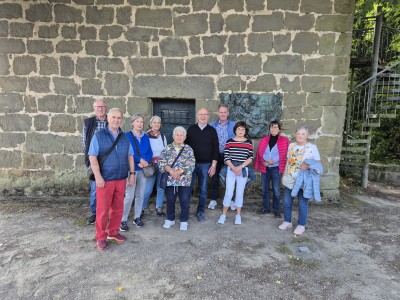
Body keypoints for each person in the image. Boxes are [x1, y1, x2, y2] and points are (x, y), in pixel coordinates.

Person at [88, 108, 135, 251]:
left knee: (117, 208)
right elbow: (92, 156)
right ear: (108, 118)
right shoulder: (99, 135)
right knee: (102, 210)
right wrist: (98, 177)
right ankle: (101, 237)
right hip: (105, 179)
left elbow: (130, 156)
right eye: (114, 117)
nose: (116, 120)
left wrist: (132, 173)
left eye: (119, 118)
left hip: (120, 178)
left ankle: (113, 232)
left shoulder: (125, 137)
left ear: (122, 120)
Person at [279, 126, 321, 235]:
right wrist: (284, 175)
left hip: (303, 180)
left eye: (303, 134)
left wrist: (307, 166)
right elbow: (288, 161)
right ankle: (287, 221)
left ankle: (301, 225)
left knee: (302, 203)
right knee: (287, 201)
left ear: (306, 136)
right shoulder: (291, 145)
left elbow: (318, 163)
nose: (300, 136)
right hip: (290, 178)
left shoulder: (312, 147)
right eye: (298, 133)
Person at [185, 108, 219, 221]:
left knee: (203, 189)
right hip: (191, 164)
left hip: (205, 165)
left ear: (208, 116)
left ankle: (200, 211)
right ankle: (185, 210)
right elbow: (185, 147)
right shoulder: (191, 129)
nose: (203, 116)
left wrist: (213, 165)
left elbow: (216, 149)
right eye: (201, 114)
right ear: (197, 116)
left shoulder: (212, 131)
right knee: (187, 188)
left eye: (205, 114)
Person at [158, 126, 195, 231]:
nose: (179, 137)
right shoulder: (168, 148)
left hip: (184, 180)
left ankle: (183, 220)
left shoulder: (188, 149)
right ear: (173, 136)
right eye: (177, 135)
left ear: (185, 137)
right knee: (170, 200)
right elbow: (161, 162)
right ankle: (170, 219)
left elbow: (192, 163)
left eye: (181, 135)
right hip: (170, 179)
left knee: (184, 200)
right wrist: (170, 171)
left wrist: (179, 172)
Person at [120, 114, 153, 231]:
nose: (140, 124)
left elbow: (150, 152)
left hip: (143, 170)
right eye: (137, 121)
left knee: (140, 195)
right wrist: (139, 160)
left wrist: (146, 161)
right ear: (132, 123)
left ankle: (137, 217)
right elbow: (126, 152)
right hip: (131, 170)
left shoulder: (146, 137)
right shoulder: (126, 136)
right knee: (129, 196)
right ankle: (122, 220)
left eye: (142, 122)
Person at [217, 121, 253, 225]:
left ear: (245, 131)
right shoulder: (229, 142)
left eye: (243, 129)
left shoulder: (248, 142)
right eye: (238, 129)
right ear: (235, 130)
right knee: (228, 192)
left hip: (243, 168)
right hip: (231, 168)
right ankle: (223, 214)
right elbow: (226, 156)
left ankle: (238, 215)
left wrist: (240, 167)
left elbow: (250, 157)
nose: (240, 131)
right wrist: (233, 168)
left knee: (239, 193)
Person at [254, 120, 290, 218]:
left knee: (276, 190)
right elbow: (260, 153)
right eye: (272, 127)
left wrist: (273, 160)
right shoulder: (264, 140)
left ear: (279, 129)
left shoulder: (284, 140)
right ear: (269, 128)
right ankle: (266, 208)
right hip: (265, 167)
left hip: (276, 168)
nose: (274, 129)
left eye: (276, 127)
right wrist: (265, 161)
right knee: (265, 189)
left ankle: (276, 209)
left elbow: (285, 153)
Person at [82, 99, 108, 225]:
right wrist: (89, 159)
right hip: (94, 159)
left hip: (108, 160)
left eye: (102, 106)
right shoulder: (89, 122)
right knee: (94, 189)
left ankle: (105, 212)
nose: (100, 109)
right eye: (98, 107)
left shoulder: (111, 120)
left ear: (106, 108)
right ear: (94, 109)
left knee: (107, 187)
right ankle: (95, 213)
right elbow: (84, 142)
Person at [209, 104, 236, 210]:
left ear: (228, 113)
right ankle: (213, 200)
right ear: (218, 113)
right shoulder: (212, 126)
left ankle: (231, 200)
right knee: (215, 177)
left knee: (231, 178)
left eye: (225, 112)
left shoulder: (234, 125)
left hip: (229, 155)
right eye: (221, 112)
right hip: (216, 155)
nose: (223, 114)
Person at [142, 116, 168, 216]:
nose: (157, 124)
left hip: (161, 165)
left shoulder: (163, 136)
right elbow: (144, 151)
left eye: (158, 122)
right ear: (151, 124)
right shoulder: (145, 136)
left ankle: (159, 207)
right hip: (150, 166)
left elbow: (165, 151)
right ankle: (142, 208)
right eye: (155, 122)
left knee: (161, 187)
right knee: (148, 189)